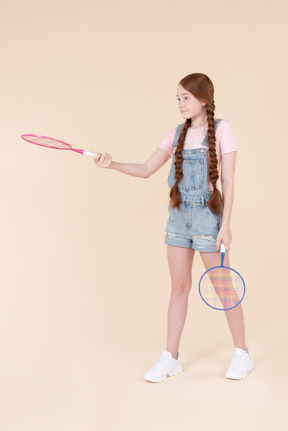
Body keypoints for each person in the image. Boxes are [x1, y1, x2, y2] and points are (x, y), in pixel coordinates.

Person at [93, 72, 254, 383]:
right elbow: (145, 169)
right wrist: (110, 163)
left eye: (186, 98)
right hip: (178, 218)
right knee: (179, 288)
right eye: (178, 98)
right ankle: (171, 357)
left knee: (223, 288)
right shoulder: (175, 134)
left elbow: (230, 180)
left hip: (208, 219)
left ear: (204, 99)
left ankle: (242, 353)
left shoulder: (222, 129)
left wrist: (227, 226)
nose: (180, 104)